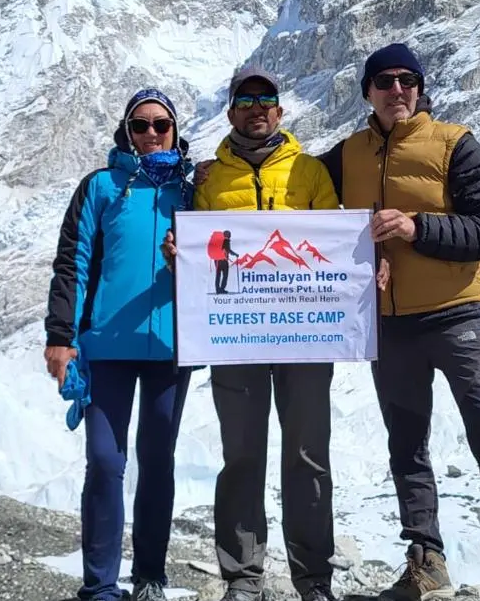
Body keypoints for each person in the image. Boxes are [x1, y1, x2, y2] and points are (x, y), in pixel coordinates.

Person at [316, 43, 480, 601]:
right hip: (389, 325)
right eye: (384, 80)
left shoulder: (454, 143)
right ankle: (426, 561)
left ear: (420, 88)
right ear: (368, 91)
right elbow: (297, 198)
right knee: (407, 446)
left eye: (407, 79)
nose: (397, 89)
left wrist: (415, 229)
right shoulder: (346, 155)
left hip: (459, 318)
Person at [162, 66, 341, 601]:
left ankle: (314, 581)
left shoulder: (310, 170)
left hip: (305, 338)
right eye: (246, 99)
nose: (257, 107)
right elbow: (196, 248)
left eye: (267, 99)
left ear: (280, 111)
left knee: (309, 455)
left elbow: (330, 240)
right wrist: (181, 255)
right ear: (231, 111)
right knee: (241, 455)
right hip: (233, 336)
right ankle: (243, 578)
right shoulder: (209, 178)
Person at [44, 88, 196, 601]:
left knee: (158, 460)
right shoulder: (101, 187)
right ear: (125, 132)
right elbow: (74, 263)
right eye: (140, 125)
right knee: (106, 463)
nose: (152, 134)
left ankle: (150, 577)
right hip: (106, 349)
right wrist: (60, 337)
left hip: (173, 349)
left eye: (161, 125)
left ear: (175, 131)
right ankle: (100, 587)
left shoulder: (194, 191)